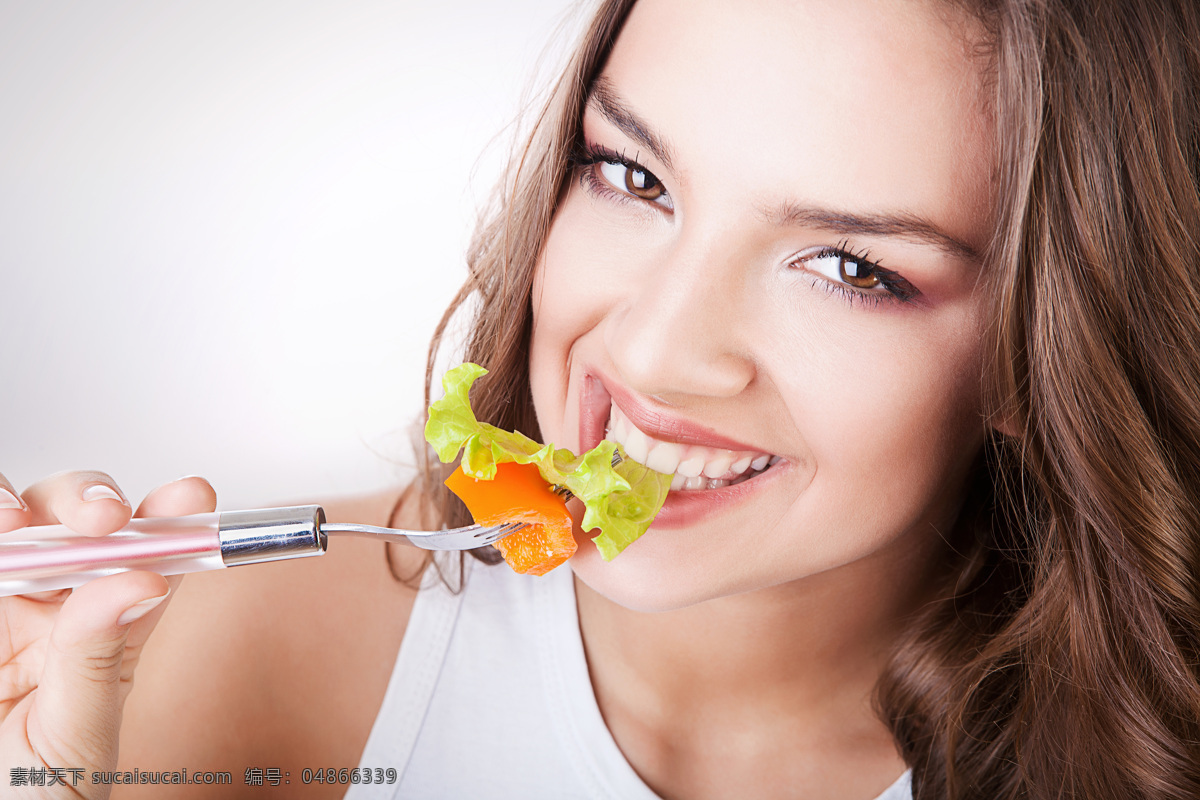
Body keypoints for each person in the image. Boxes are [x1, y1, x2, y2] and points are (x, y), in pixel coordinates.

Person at [2, 0, 1198, 797]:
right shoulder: (221, 664)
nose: (656, 346)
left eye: (851, 266)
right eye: (631, 175)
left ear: (1045, 354)